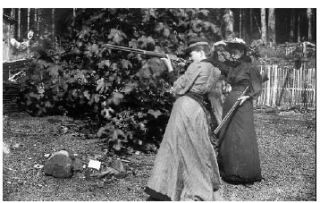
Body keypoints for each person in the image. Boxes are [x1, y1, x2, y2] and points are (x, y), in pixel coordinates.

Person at [145, 38, 223, 201]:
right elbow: (213, 97)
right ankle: (198, 183)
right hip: (199, 111)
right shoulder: (215, 70)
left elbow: (178, 88)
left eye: (192, 53)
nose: (190, 56)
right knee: (197, 148)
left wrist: (170, 67)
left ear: (201, 52)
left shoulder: (197, 66)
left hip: (185, 108)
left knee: (174, 146)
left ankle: (168, 187)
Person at [217, 38, 263, 185]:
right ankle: (229, 171)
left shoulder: (250, 68)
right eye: (231, 50)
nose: (233, 53)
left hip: (243, 105)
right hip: (230, 102)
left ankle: (245, 173)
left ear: (243, 52)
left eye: (236, 50)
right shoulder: (231, 67)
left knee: (242, 135)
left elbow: (257, 87)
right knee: (228, 134)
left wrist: (247, 97)